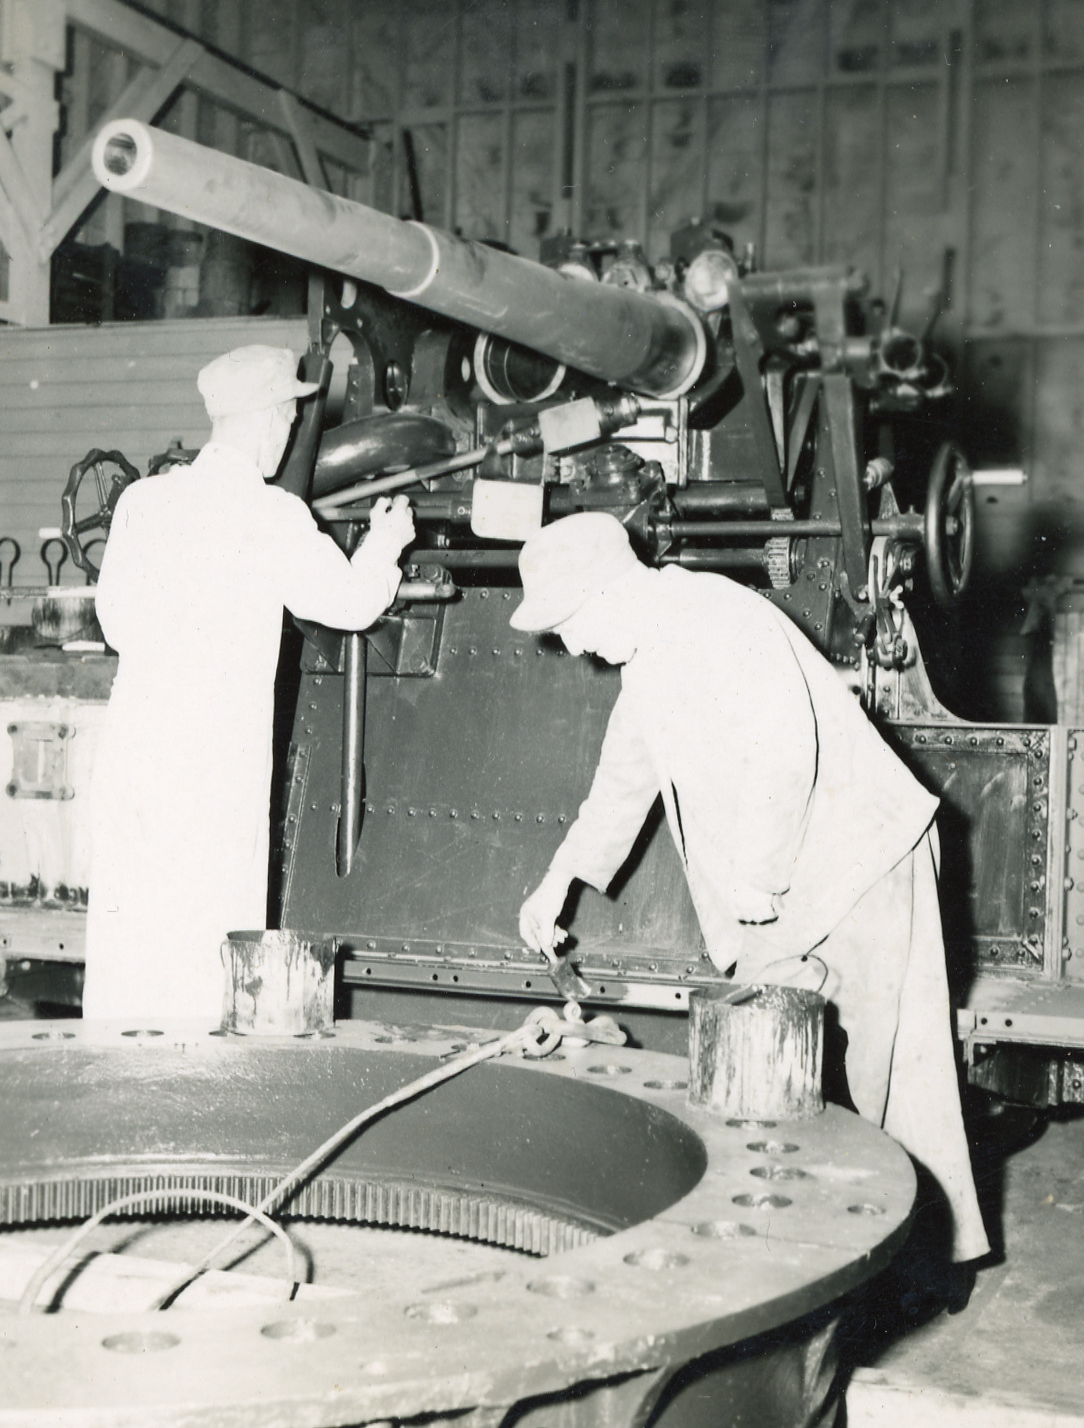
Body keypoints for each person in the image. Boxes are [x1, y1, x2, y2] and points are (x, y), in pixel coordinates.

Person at [513, 511, 989, 1268]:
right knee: (768, 1062)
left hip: (863, 861)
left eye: (567, 622)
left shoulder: (716, 617)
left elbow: (782, 748)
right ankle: (796, 1246)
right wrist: (554, 883)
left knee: (896, 1075)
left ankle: (930, 1264)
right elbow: (618, 788)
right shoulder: (648, 659)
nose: (569, 646)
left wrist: (753, 877)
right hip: (785, 881)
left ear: (607, 591)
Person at [83, 343, 413, 1021]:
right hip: (211, 767)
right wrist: (385, 542)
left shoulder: (142, 501)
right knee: (205, 947)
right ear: (275, 420)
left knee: (131, 936)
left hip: (136, 757)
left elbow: (114, 625)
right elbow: (351, 603)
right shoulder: (271, 516)